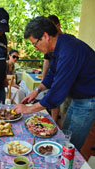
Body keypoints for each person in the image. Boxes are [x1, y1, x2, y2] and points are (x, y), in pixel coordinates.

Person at [14, 16, 95, 151]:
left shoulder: (69, 50)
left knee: (70, 145)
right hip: (78, 98)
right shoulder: (60, 45)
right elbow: (52, 73)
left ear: (45, 36)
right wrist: (37, 90)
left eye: (35, 43)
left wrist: (28, 109)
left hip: (88, 100)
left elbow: (57, 92)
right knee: (64, 135)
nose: (35, 48)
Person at [42, 15, 62, 123]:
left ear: (58, 26)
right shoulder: (53, 47)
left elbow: (58, 88)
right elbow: (51, 68)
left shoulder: (67, 46)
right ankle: (54, 122)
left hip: (84, 96)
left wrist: (31, 108)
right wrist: (40, 87)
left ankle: (54, 123)